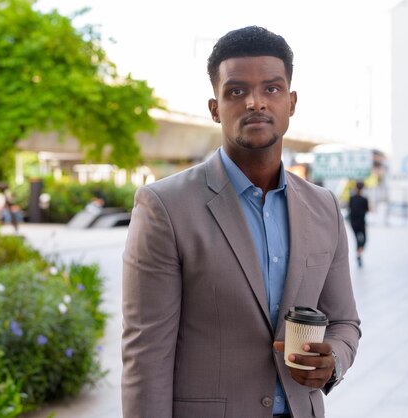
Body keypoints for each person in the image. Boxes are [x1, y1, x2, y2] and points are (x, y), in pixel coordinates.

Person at [122, 26, 361, 418]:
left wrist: (333, 358)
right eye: (236, 91)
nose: (255, 102)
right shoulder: (164, 207)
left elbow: (345, 322)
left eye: (272, 88)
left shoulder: (325, 208)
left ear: (291, 101)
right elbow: (146, 357)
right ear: (215, 107)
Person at [348, 181, 369, 267]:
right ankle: (359, 253)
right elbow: (367, 210)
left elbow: (349, 208)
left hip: (353, 222)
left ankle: (359, 254)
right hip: (361, 222)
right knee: (364, 240)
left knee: (357, 238)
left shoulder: (352, 198)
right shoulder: (364, 199)